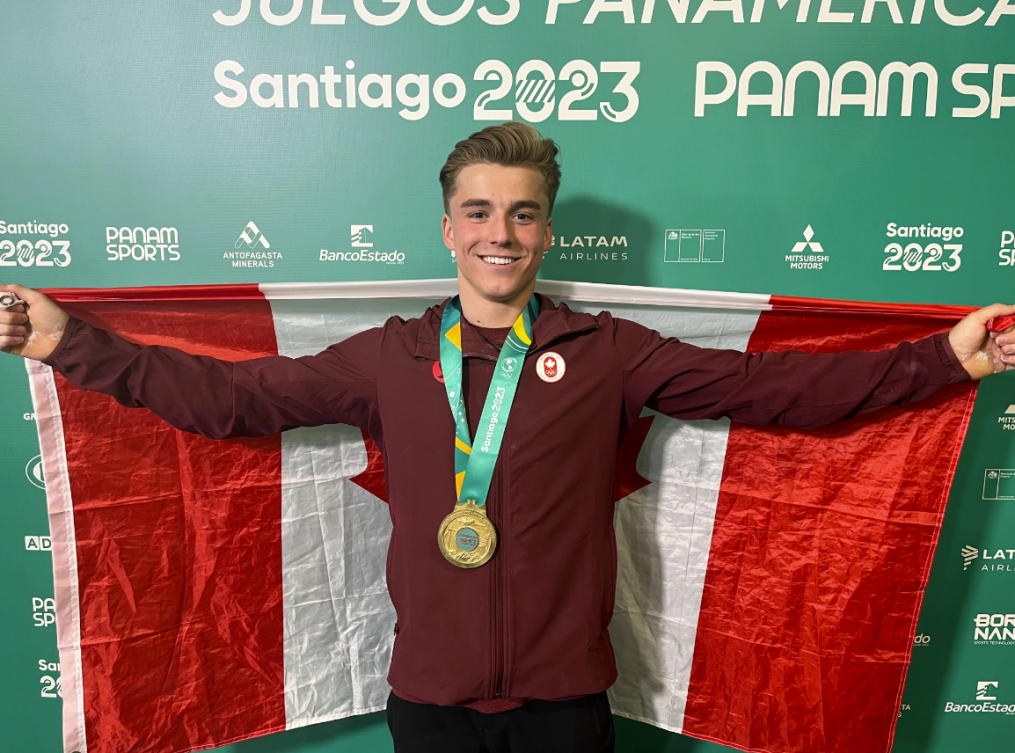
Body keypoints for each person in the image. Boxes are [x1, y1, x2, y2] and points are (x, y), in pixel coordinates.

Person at [1, 122, 1014, 753]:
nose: (500, 233)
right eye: (479, 211)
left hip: (566, 706)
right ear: (446, 228)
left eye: (523, 215)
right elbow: (227, 402)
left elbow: (772, 390)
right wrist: (65, 343)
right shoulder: (386, 358)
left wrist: (940, 361)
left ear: (546, 230)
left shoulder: (611, 353)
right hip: (428, 705)